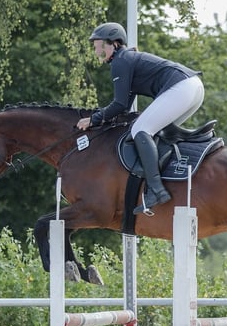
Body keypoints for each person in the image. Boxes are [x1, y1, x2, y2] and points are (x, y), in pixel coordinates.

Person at [77, 22, 205, 216]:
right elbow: (125, 106)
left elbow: (119, 104)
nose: (96, 52)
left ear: (113, 43)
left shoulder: (121, 61)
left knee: (140, 130)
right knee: (154, 131)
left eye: (98, 46)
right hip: (193, 88)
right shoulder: (126, 59)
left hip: (182, 87)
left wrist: (93, 120)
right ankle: (167, 176)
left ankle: (156, 190)